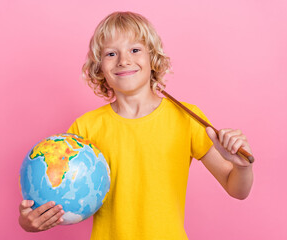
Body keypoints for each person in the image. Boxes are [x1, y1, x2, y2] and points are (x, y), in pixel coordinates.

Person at [18, 11, 254, 239]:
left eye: (135, 50)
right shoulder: (85, 128)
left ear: (153, 58)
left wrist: (242, 168)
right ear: (99, 67)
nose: (124, 60)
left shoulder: (187, 118)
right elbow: (57, 195)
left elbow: (237, 190)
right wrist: (28, 222)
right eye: (111, 54)